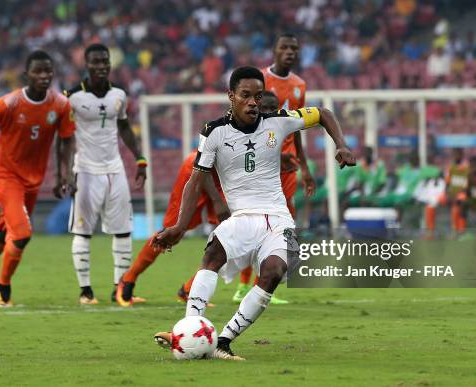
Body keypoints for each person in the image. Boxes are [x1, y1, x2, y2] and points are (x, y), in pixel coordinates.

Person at [152, 66, 355, 360]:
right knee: (212, 256)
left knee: (273, 272)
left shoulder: (278, 122)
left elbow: (323, 113)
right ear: (231, 96)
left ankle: (222, 342)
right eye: (245, 95)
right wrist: (180, 227)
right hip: (242, 218)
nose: (252, 102)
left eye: (257, 96)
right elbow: (196, 180)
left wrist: (343, 145)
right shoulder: (214, 132)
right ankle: (188, 329)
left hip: (278, 219)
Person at [0, 50, 75, 307]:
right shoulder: (9, 103)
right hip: (5, 175)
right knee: (21, 234)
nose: (44, 76)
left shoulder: (60, 105)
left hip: (33, 179)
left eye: (48, 71)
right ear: (26, 75)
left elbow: (66, 140)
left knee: (3, 232)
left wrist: (62, 173)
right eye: (38, 71)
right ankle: (3, 289)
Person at [232, 33, 315, 305]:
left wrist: (304, 165)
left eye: (294, 48)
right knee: (257, 218)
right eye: (284, 47)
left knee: (281, 218)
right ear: (274, 51)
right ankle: (244, 284)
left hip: (288, 160)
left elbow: (298, 125)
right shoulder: (260, 81)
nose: (290, 52)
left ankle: (261, 281)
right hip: (264, 157)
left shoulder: (299, 85)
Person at [64, 43, 147, 305]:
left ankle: (120, 289)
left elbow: (124, 127)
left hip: (115, 169)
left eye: (105, 62)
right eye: (95, 62)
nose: (101, 67)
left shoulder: (119, 95)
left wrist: (140, 159)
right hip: (86, 170)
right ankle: (85, 291)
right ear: (86, 65)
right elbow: (64, 138)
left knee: (123, 230)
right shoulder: (72, 97)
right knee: (83, 232)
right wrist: (66, 173)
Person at [115, 148, 228, 307]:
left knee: (230, 235)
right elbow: (208, 153)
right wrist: (216, 200)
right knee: (172, 233)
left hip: (224, 175)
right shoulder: (224, 128)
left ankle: (189, 290)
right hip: (197, 168)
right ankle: (128, 279)